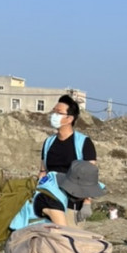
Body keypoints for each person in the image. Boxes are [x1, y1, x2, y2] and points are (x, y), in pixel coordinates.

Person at [40, 93, 97, 221]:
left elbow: (90, 177)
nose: (53, 116)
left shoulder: (83, 143)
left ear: (69, 118)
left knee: (70, 240)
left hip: (73, 206)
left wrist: (87, 203)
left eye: (59, 113)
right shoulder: (48, 142)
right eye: (54, 112)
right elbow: (43, 172)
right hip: (50, 204)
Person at [9, 160, 104, 233]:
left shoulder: (54, 180)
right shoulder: (52, 201)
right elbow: (65, 234)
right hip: (21, 240)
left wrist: (87, 203)